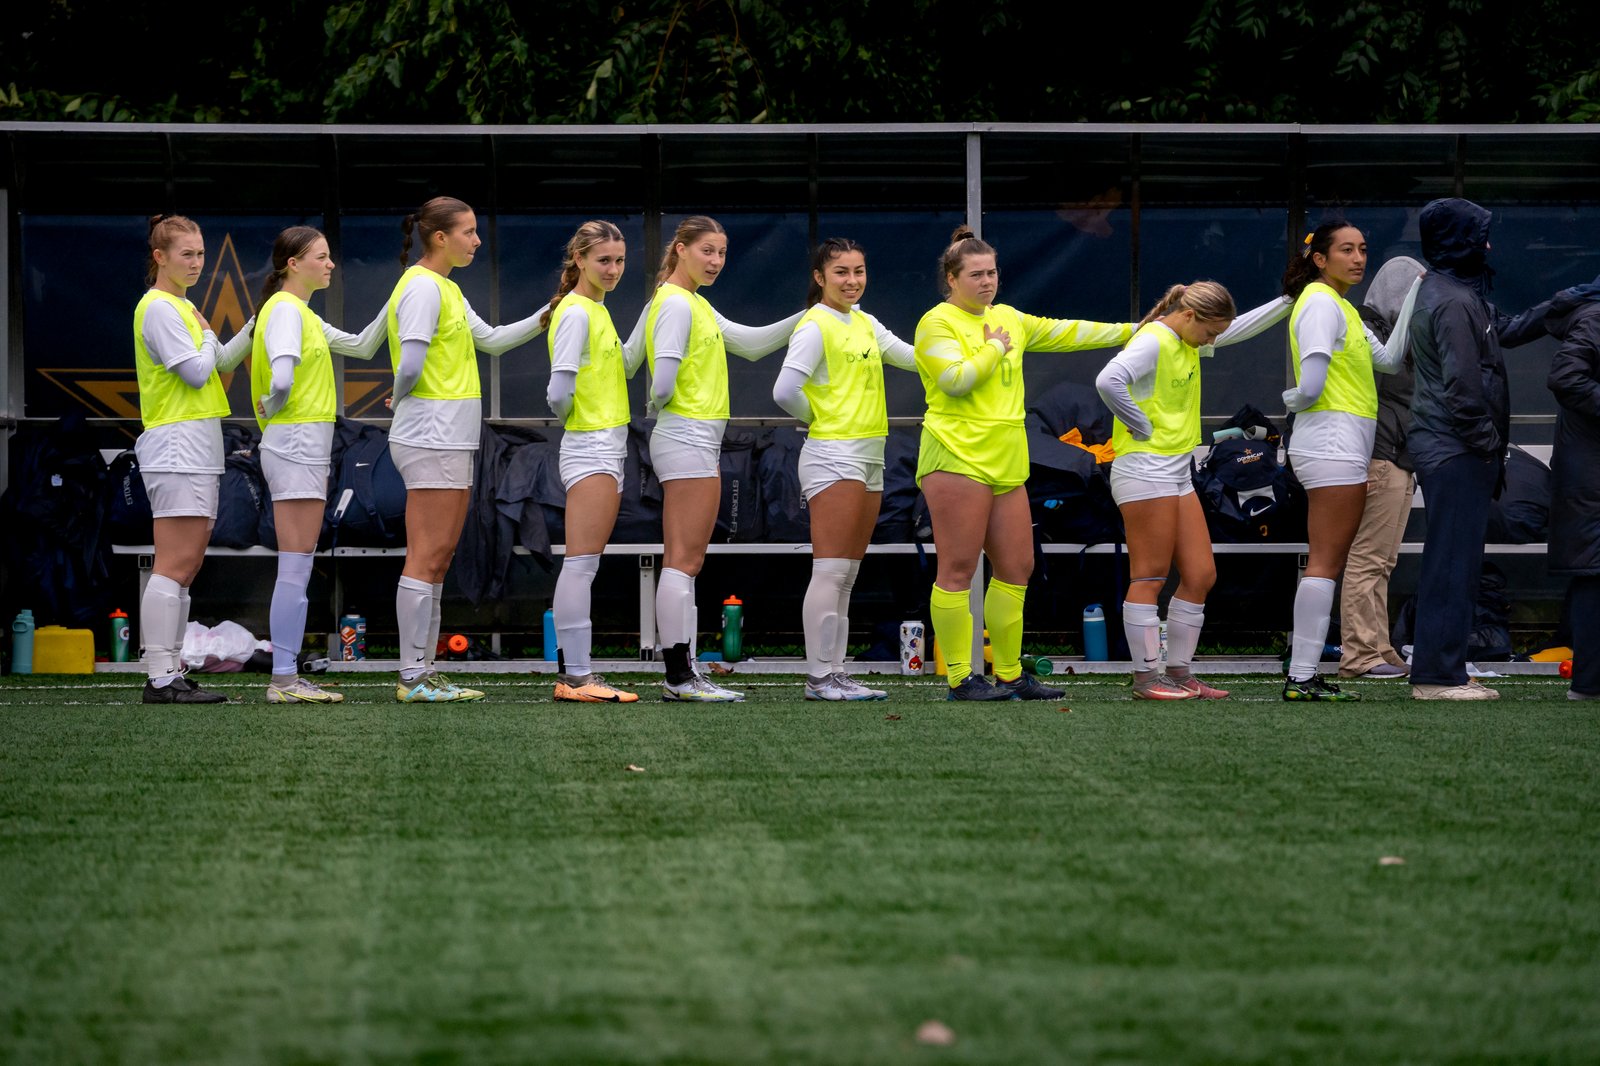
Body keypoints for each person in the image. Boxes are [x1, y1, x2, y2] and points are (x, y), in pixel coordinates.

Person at [915, 226, 1135, 701]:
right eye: (975, 274)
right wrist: (994, 347)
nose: (986, 281)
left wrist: (1138, 331)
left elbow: (1070, 331)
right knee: (957, 569)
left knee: (1017, 565)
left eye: (992, 272)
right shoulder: (935, 323)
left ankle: (1010, 674)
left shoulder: (1010, 317)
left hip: (1007, 460)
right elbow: (955, 380)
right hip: (956, 455)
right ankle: (959, 677)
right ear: (951, 279)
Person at [635, 215, 804, 702]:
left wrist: (812, 313)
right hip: (686, 436)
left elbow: (751, 345)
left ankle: (683, 674)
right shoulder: (675, 304)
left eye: (722, 252)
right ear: (681, 249)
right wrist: (663, 408)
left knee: (685, 563)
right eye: (707, 250)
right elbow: (660, 381)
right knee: (682, 562)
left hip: (693, 438)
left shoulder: (692, 303)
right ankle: (679, 677)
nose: (716, 261)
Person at [1095, 281, 1290, 700]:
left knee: (1201, 574)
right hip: (1145, 471)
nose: (1214, 341)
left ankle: (1180, 673)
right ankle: (1146, 679)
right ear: (1188, 316)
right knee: (1149, 576)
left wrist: (1288, 300)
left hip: (1176, 472)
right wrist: (1140, 424)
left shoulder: (1186, 338)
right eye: (1210, 333)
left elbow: (1237, 328)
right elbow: (1109, 381)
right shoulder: (1154, 341)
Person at [387, 196, 547, 703]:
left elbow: (495, 341)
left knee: (438, 559)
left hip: (448, 437)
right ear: (440, 237)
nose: (477, 241)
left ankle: (423, 671)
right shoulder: (421, 288)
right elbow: (409, 366)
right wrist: (401, 395)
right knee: (426, 556)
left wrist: (549, 313)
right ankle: (412, 677)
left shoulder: (446, 289)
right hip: (429, 435)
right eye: (469, 232)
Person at [1406, 197, 1549, 701]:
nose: (1488, 245)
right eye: (1480, 235)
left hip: (1452, 446)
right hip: (1456, 449)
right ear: (1459, 241)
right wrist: (1490, 446)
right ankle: (1435, 677)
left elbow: (1505, 332)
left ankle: (1444, 669)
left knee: (1457, 561)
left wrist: (1566, 301)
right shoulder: (1451, 300)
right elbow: (1463, 390)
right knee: (1451, 561)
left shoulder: (1453, 292)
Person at [772, 237, 916, 701]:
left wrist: (974, 350)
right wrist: (822, 418)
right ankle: (819, 678)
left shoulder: (865, 322)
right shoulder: (815, 325)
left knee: (848, 575)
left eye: (859, 271)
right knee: (831, 570)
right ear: (820, 277)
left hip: (869, 457)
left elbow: (914, 358)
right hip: (834, 455)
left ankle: (835, 672)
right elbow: (784, 390)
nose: (852, 281)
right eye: (841, 273)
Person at [249, 225, 386, 705]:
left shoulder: (297, 312)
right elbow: (282, 378)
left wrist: (405, 293)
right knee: (295, 566)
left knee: (297, 565)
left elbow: (365, 344)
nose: (330, 265)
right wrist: (270, 400)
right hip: (297, 443)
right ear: (294, 264)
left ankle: (286, 676)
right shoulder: (287, 310)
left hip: (300, 444)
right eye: (322, 257)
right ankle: (284, 679)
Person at [1278, 222, 1411, 702]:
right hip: (1331, 447)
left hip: (1343, 448)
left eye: (1363, 249)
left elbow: (1391, 360)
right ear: (1320, 258)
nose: (1358, 258)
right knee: (1325, 563)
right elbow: (1310, 385)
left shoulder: (1344, 308)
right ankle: (1300, 677)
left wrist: (1415, 290)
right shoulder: (1318, 302)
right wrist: (1294, 399)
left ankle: (1304, 675)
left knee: (1328, 563)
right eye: (1346, 250)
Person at [133, 214, 254, 703]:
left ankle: (171, 671)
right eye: (187, 254)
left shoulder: (180, 306)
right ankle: (160, 677)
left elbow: (221, 361)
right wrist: (208, 334)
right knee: (174, 564)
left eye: (201, 253)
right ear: (159, 257)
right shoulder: (160, 307)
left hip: (196, 446)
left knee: (186, 566)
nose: (197, 262)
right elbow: (199, 370)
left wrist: (253, 322)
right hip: (176, 445)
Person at [543, 220, 639, 704]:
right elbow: (558, 392)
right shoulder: (578, 313)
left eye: (620, 260)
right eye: (604, 260)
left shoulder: (595, 310)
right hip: (591, 444)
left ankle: (577, 675)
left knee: (584, 564)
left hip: (603, 444)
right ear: (579, 259)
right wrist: (580, 424)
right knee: (581, 565)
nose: (614, 269)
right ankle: (577, 678)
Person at [1338, 255, 1426, 681]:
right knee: (1368, 558)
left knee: (1382, 560)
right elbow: (1397, 383)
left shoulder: (1390, 332)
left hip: (1397, 454)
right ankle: (1358, 654)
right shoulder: (1368, 330)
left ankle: (1379, 646)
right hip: (1381, 453)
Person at [1542, 274, 1600, 701]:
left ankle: (1589, 682)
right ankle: (1589, 683)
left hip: (1587, 467)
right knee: (1593, 574)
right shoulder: (1595, 318)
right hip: (1590, 472)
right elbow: (1566, 377)